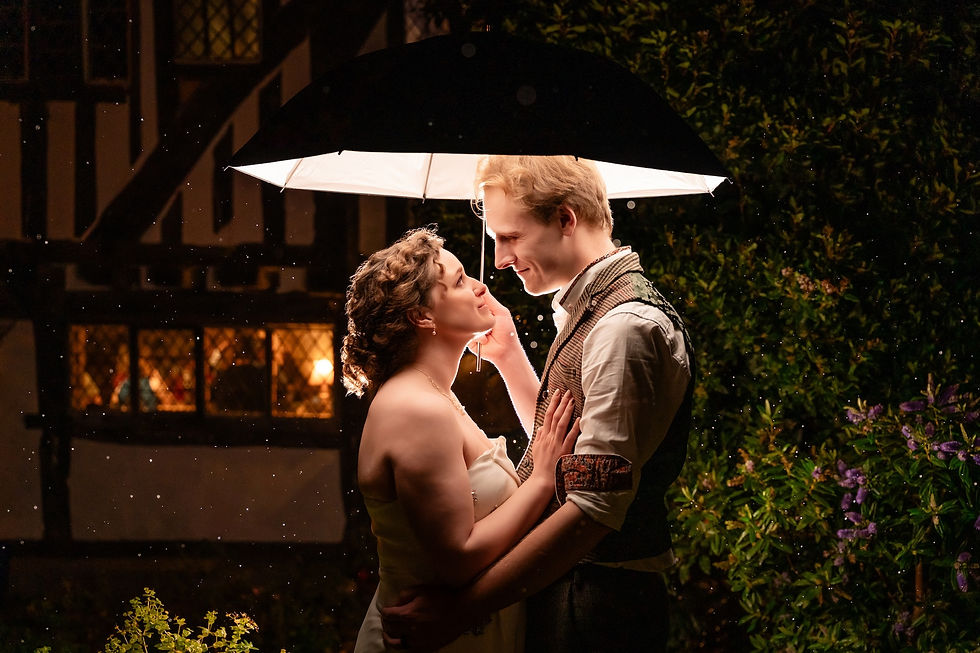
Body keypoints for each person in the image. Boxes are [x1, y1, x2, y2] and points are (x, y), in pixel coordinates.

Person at [381, 156, 695, 652]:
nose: (500, 258)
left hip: (597, 606)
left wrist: (460, 613)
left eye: (510, 236)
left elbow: (592, 509)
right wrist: (510, 359)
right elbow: (574, 459)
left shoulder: (624, 328)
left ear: (566, 219)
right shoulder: (592, 311)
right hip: (573, 591)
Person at [343, 227, 580, 653]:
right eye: (458, 281)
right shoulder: (415, 409)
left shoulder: (434, 393)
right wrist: (542, 480)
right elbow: (458, 558)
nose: (479, 286)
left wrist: (507, 352)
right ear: (423, 317)